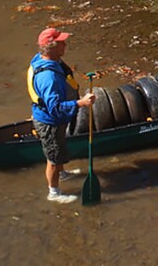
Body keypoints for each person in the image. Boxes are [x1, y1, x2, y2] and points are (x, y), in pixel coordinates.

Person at [28, 27, 96, 203]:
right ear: (51, 47)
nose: (65, 44)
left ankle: (62, 173)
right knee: (52, 157)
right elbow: (55, 108)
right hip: (49, 121)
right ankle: (54, 193)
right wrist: (81, 103)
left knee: (59, 148)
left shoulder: (47, 60)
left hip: (56, 120)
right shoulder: (48, 77)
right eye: (61, 42)